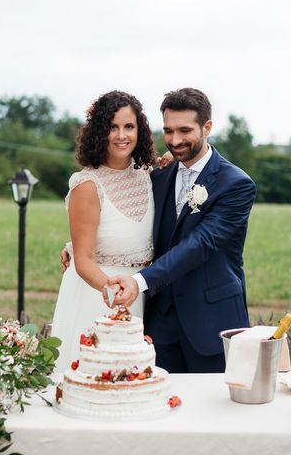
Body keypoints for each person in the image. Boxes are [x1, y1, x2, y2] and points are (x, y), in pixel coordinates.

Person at [108, 88, 257, 373]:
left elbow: (201, 244)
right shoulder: (159, 176)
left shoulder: (236, 184)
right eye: (168, 131)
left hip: (212, 320)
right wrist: (78, 247)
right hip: (160, 322)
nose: (175, 140)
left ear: (207, 127)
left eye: (185, 130)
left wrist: (139, 282)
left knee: (214, 412)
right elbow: (134, 222)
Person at [51, 90, 156, 373]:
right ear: (99, 131)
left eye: (129, 126)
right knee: (96, 381)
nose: (122, 135)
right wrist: (113, 292)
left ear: (140, 130)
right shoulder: (87, 185)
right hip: (100, 296)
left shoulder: (150, 174)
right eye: (112, 127)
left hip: (142, 291)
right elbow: (83, 259)